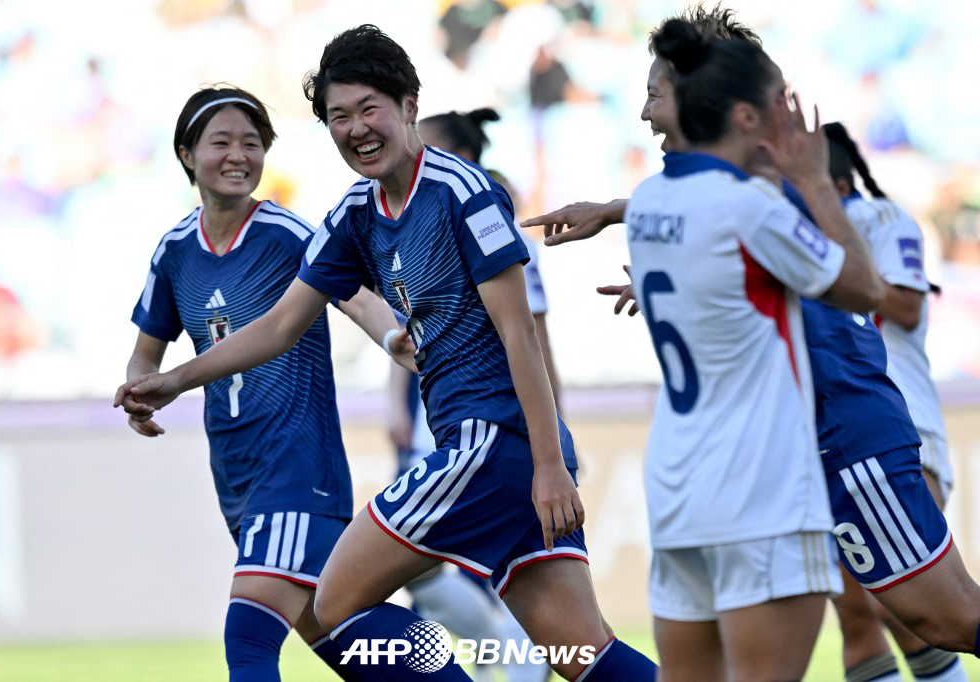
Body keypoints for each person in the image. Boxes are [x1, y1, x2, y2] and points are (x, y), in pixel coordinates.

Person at [115, 26, 657, 682]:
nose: (356, 129)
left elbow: (522, 336)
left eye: (369, 108)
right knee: (582, 655)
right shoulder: (354, 213)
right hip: (491, 447)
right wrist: (175, 378)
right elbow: (281, 325)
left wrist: (550, 463)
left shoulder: (463, 191)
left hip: (494, 442)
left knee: (335, 599)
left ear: (409, 104)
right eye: (338, 117)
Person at [521, 4, 980, 675]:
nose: (645, 112)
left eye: (654, 93)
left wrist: (621, 217)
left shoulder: (764, 185)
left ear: (709, 98)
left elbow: (852, 283)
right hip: (764, 458)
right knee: (868, 621)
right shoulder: (696, 196)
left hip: (840, 426)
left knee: (944, 617)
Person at [118, 85, 410, 682]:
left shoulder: (285, 233)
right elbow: (145, 356)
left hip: (298, 471)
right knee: (351, 637)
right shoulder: (175, 250)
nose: (238, 156)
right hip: (238, 478)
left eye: (252, 144)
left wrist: (393, 337)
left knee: (249, 640)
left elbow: (355, 296)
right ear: (185, 154)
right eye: (220, 142)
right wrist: (139, 392)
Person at [386, 107, 559, 682]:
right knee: (421, 571)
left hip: (490, 423)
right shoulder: (408, 219)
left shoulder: (484, 214)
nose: (415, 156)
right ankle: (504, 657)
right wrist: (395, 398)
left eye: (428, 146)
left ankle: (512, 652)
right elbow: (407, 324)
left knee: (383, 576)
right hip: (437, 415)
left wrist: (552, 442)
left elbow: (529, 334)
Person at [824, 121, 966, 682]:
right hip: (835, 439)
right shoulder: (789, 233)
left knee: (922, 612)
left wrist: (817, 271)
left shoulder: (879, 218)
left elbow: (905, 307)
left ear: (829, 182)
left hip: (901, 428)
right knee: (856, 616)